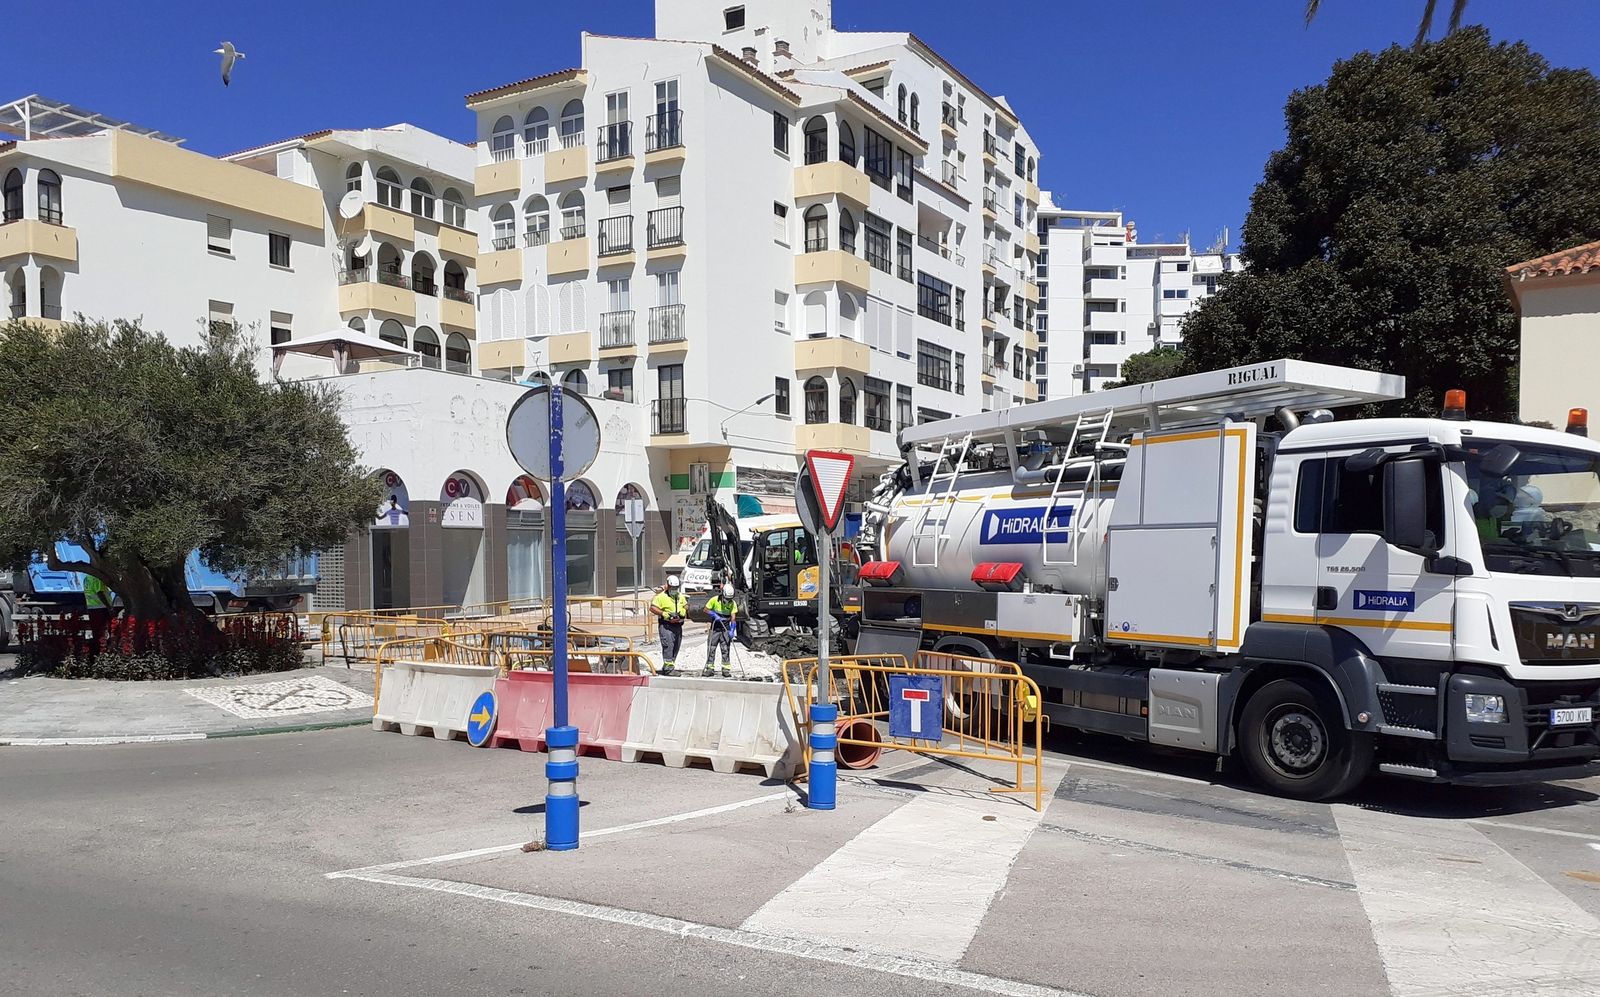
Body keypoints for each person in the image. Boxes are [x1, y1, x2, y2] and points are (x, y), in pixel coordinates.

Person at [649, 575, 689, 676]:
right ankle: (668, 669)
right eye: (672, 588)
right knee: (668, 645)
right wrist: (664, 614)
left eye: (676, 588)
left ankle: (669, 665)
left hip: (678, 625)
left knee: (676, 646)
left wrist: (683, 611)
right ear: (668, 586)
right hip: (666, 625)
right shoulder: (661, 597)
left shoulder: (680, 596)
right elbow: (653, 608)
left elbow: (686, 605)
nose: (674, 590)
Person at [703, 582, 739, 678]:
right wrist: (714, 614)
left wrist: (732, 629)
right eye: (727, 599)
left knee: (725, 649)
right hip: (715, 628)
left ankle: (726, 669)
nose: (728, 600)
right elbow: (705, 609)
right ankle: (710, 668)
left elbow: (733, 618)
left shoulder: (733, 603)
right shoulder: (714, 600)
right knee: (711, 648)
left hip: (725, 628)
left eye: (729, 599)